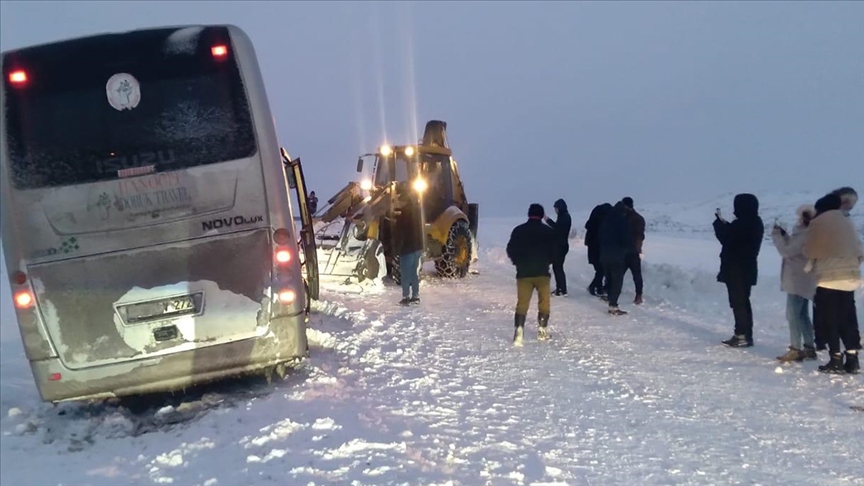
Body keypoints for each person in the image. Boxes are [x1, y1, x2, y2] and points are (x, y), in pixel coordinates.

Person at [803, 193, 863, 374]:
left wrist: (810, 266)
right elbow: (860, 249)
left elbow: (809, 250)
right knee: (847, 318)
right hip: (850, 278)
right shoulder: (847, 222)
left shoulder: (818, 223)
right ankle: (852, 358)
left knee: (830, 319)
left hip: (828, 279)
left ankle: (835, 359)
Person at [713, 193, 764, 348]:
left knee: (738, 302)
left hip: (737, 269)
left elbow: (728, 239)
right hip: (746, 269)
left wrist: (719, 225)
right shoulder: (754, 222)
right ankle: (745, 334)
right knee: (743, 301)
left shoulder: (743, 223)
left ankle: (741, 334)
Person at [771, 205, 818, 362]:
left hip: (797, 279)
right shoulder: (808, 233)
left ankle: (795, 348)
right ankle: (809, 347)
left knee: (792, 315)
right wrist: (785, 236)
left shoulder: (804, 234)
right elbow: (792, 247)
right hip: (803, 278)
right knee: (802, 314)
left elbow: (787, 251)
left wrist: (777, 236)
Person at [506, 203, 556, 345]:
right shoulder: (548, 232)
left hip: (523, 274)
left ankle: (519, 332)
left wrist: (517, 262)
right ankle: (542, 331)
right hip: (542, 273)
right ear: (541, 215)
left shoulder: (518, 230)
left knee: (522, 303)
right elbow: (555, 251)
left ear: (529, 214)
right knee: (544, 302)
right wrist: (548, 261)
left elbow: (510, 249)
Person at [598, 201, 634, 315]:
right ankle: (613, 306)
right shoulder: (622, 221)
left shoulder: (606, 221)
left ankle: (609, 298)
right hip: (616, 256)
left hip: (604, 255)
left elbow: (600, 237)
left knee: (609, 279)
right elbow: (627, 239)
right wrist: (630, 250)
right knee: (617, 281)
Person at [394, 192, 424, 305]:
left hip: (407, 248)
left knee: (405, 274)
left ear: (404, 202)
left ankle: (406, 296)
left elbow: (401, 234)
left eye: (399, 201)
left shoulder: (403, 216)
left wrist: (397, 248)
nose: (398, 203)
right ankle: (415, 296)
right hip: (417, 247)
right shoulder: (417, 212)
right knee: (414, 273)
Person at [544, 198, 572, 296]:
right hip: (562, 245)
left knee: (558, 268)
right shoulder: (565, 216)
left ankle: (562, 290)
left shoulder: (563, 217)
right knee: (558, 267)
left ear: (559, 208)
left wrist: (547, 220)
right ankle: (560, 288)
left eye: (556, 208)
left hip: (560, 246)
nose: (555, 210)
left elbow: (557, 229)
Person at [585, 203, 613, 297]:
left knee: (600, 269)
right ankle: (595, 287)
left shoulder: (593, 223)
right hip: (599, 249)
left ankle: (596, 287)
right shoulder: (601, 224)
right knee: (601, 269)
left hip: (593, 249)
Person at [622, 197, 646, 305]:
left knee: (619, 274)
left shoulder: (624, 218)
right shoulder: (639, 218)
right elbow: (641, 236)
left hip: (626, 250)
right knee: (637, 274)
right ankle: (639, 295)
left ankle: (611, 292)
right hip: (634, 250)